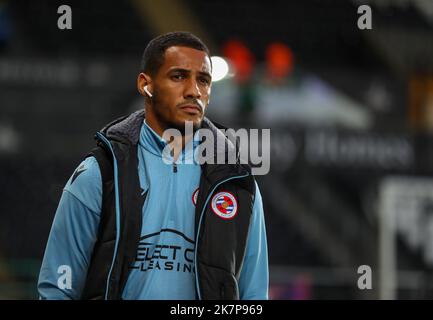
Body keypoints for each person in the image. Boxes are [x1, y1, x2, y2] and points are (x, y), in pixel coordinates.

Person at [37, 31, 269, 300]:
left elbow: (253, 296)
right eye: (179, 76)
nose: (194, 91)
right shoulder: (99, 173)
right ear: (146, 84)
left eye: (203, 80)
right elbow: (58, 289)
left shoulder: (238, 183)